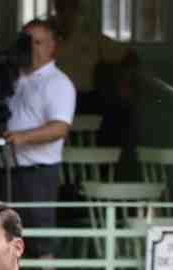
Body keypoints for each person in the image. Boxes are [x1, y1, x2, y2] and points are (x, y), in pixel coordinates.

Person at [0, 19, 76, 270]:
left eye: (38, 42)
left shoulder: (58, 83)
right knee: (7, 237)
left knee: (40, 240)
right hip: (7, 167)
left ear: (52, 47)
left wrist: (21, 137)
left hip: (38, 171)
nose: (31, 48)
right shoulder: (15, 79)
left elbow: (59, 127)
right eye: (26, 42)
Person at [52, 0, 137, 154]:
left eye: (71, 9)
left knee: (118, 113)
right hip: (54, 98)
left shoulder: (91, 37)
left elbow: (128, 55)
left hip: (83, 97)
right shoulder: (45, 36)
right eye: (62, 9)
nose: (66, 14)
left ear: (77, 11)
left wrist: (126, 82)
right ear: (56, 10)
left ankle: (105, 165)